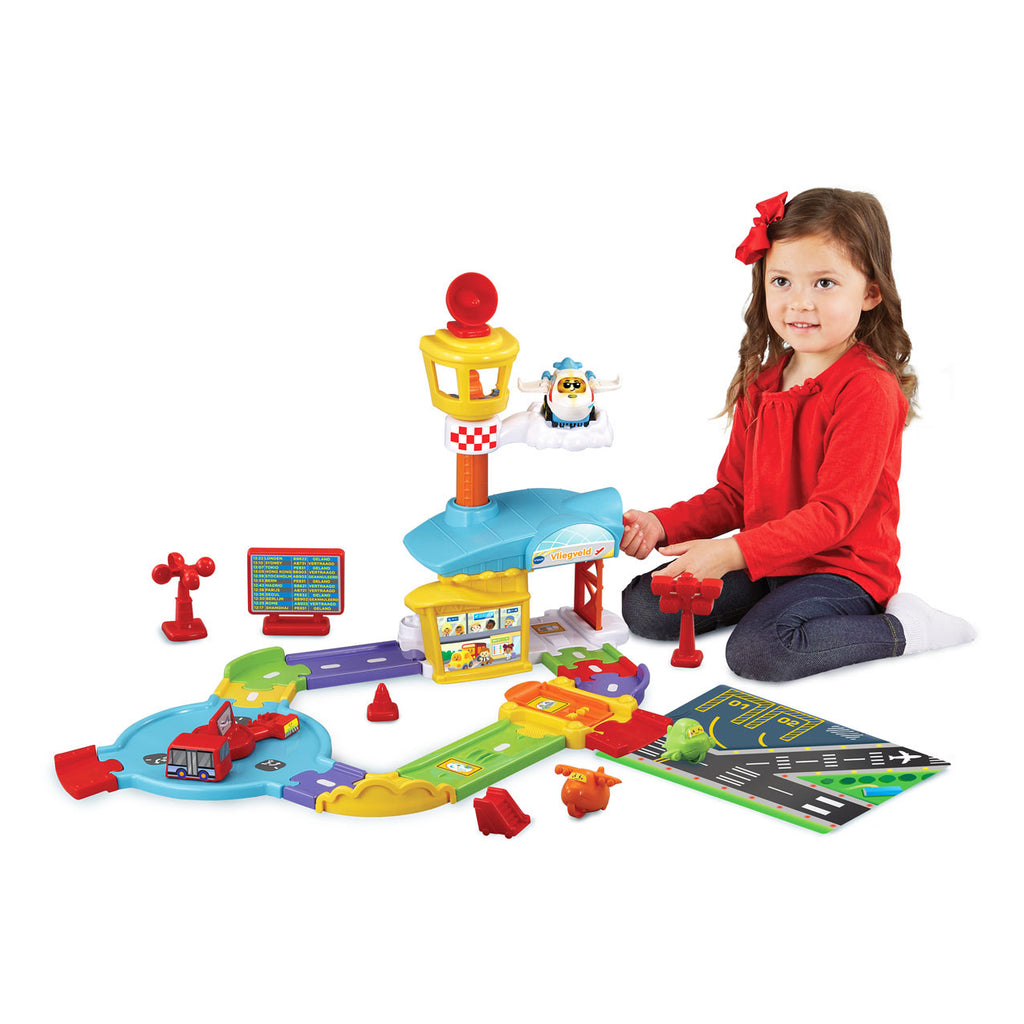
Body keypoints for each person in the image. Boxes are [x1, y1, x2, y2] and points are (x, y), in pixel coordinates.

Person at [620, 188, 975, 681]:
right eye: (782, 281)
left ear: (870, 293)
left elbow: (832, 516)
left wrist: (731, 553)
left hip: (843, 570)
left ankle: (905, 629)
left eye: (825, 283)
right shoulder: (762, 383)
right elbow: (734, 494)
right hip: (769, 562)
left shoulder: (867, 388)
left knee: (760, 651)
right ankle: (779, 605)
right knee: (644, 605)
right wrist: (663, 524)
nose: (800, 302)